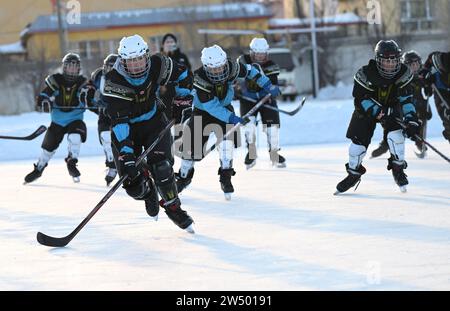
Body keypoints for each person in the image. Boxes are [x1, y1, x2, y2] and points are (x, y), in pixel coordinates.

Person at [102, 34, 194, 232]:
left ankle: (173, 207)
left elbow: (184, 75)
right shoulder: (113, 81)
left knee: (162, 168)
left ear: (146, 56)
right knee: (132, 184)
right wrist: (127, 154)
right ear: (122, 61)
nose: (136, 65)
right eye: (130, 61)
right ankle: (148, 191)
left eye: (139, 59)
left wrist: (183, 99)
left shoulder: (158, 64)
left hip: (154, 122)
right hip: (126, 130)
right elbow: (119, 121)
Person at [176, 44, 281, 200]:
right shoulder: (199, 78)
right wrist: (231, 118)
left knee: (227, 143)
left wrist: (267, 84)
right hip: (202, 112)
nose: (218, 71)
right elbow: (211, 106)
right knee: (189, 151)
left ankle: (226, 176)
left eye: (221, 67)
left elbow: (252, 71)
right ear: (206, 67)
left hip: (225, 108)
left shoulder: (233, 67)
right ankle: (184, 177)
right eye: (214, 69)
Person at [335, 40, 419, 194]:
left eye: (393, 61)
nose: (390, 65)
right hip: (366, 111)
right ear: (378, 60)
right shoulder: (364, 74)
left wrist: (411, 119)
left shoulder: (404, 74)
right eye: (386, 61)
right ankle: (353, 173)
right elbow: (360, 99)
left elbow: (407, 100)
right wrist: (378, 112)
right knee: (357, 147)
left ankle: (398, 168)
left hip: (393, 109)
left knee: (397, 137)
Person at [24, 53, 88, 184]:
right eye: (69, 66)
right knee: (48, 147)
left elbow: (89, 96)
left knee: (75, 137)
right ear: (64, 67)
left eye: (75, 67)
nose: (72, 69)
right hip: (57, 121)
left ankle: (72, 162)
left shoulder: (83, 82)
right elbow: (45, 93)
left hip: (75, 119)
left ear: (79, 68)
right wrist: (43, 100)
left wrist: (93, 100)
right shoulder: (56, 80)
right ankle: (39, 168)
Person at [370, 50, 432, 159]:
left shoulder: (422, 78)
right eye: (411, 65)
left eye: (416, 64)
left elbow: (427, 94)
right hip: (401, 109)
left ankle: (419, 141)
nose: (414, 67)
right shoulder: (402, 78)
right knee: (393, 126)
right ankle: (385, 144)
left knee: (420, 121)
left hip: (418, 107)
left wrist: (428, 86)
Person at [237, 37, 285, 169]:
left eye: (262, 53)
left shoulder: (271, 65)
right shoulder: (242, 62)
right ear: (252, 52)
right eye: (257, 53)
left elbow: (274, 83)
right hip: (247, 99)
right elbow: (239, 80)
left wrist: (274, 91)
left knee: (272, 127)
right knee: (249, 126)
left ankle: (274, 154)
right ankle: (251, 153)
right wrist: (238, 91)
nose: (260, 56)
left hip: (266, 99)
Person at [80, 54, 118, 186]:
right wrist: (88, 97)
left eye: (114, 66)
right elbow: (89, 87)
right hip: (104, 113)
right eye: (109, 66)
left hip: (121, 113)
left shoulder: (125, 76)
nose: (111, 69)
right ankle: (112, 165)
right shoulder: (98, 76)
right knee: (105, 136)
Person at [159, 33, 193, 141]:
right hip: (165, 93)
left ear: (176, 43)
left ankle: (180, 141)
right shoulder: (159, 57)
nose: (170, 44)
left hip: (181, 92)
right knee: (165, 119)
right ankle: (166, 141)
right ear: (163, 44)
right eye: (167, 42)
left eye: (171, 41)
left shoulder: (182, 57)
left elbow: (188, 72)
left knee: (181, 119)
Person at [422, 51, 450, 144]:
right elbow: (431, 57)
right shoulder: (441, 58)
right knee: (447, 118)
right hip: (440, 90)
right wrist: (426, 74)